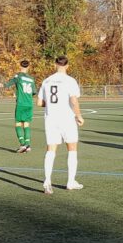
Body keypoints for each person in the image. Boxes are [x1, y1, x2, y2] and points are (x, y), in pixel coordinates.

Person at [38, 56, 84, 194]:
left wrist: (51, 105)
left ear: (55, 65)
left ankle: (47, 181)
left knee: (51, 149)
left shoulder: (47, 81)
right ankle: (70, 182)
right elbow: (74, 101)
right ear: (67, 66)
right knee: (72, 148)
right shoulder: (70, 81)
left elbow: (40, 103)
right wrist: (79, 115)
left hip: (51, 119)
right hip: (66, 118)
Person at [4, 60, 36, 153]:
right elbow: (34, 92)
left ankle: (22, 145)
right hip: (29, 103)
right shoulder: (31, 79)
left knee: (18, 123)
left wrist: (3, 85)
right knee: (26, 124)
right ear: (28, 67)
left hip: (21, 103)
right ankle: (28, 145)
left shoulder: (18, 76)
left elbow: (9, 84)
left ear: (20, 66)